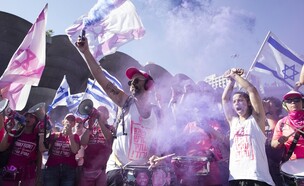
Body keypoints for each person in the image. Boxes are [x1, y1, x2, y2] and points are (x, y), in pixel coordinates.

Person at [75, 35, 160, 185]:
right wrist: (86, 52)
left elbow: (155, 142)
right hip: (118, 170)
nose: (132, 84)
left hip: (142, 173)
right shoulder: (126, 102)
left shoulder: (157, 113)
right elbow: (100, 77)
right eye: (130, 81)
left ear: (149, 85)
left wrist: (154, 156)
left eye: (136, 80)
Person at [221, 68, 274, 186]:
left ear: (249, 103)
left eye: (240, 100)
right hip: (235, 177)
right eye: (234, 102)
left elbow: (252, 90)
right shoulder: (233, 121)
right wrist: (230, 81)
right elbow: (225, 99)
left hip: (257, 178)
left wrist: (235, 76)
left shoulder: (256, 120)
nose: (236, 104)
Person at [0, 108, 41, 186]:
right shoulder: (15, 133)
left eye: (31, 117)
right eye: (26, 116)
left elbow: (39, 156)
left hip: (29, 173)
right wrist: (8, 131)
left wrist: (39, 174)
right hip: (11, 170)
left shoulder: (37, 137)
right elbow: (2, 148)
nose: (28, 118)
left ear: (36, 120)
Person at [271, 90, 304, 185]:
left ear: (302, 102)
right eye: (289, 101)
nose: (293, 102)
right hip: (292, 168)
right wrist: (279, 141)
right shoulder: (282, 123)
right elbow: (273, 145)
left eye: (297, 100)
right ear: (285, 105)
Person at [39, 113, 80, 186]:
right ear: (63, 122)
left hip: (68, 170)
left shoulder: (75, 136)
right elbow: (42, 149)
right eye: (67, 120)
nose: (69, 122)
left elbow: (74, 150)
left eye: (72, 121)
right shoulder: (55, 135)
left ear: (74, 124)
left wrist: (70, 134)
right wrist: (42, 132)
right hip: (52, 168)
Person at [78, 105, 114, 186]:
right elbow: (83, 142)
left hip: (103, 169)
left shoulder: (111, 128)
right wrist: (90, 127)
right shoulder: (91, 128)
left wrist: (100, 121)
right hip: (88, 169)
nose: (100, 112)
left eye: (103, 111)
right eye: (98, 110)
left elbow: (109, 138)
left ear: (108, 116)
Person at [262, 96, 284, 186]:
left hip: (276, 159)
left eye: (269, 102)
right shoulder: (262, 120)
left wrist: (267, 111)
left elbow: (274, 128)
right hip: (264, 158)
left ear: (277, 107)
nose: (265, 103)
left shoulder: (281, 119)